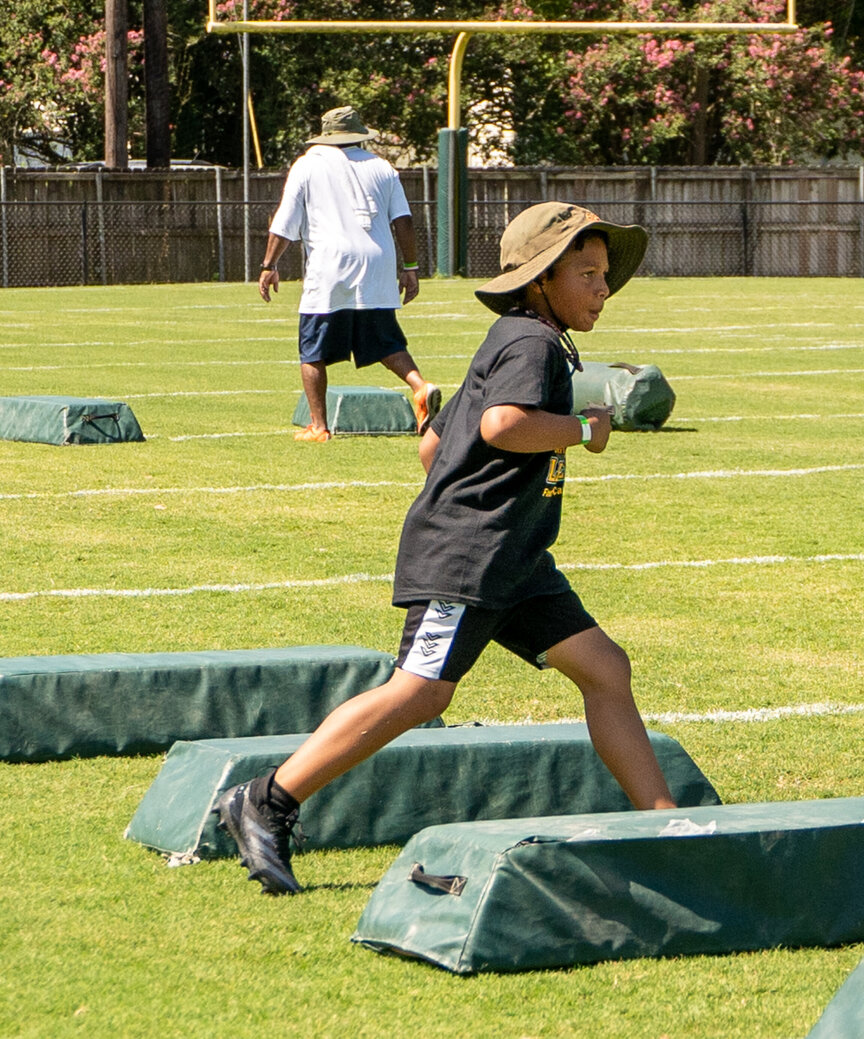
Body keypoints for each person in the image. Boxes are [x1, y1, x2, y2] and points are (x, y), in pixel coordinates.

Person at [217, 201, 679, 895]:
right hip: (474, 556)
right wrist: (584, 429)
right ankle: (267, 800)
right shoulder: (529, 343)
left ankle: (663, 825)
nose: (601, 288)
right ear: (541, 280)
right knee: (422, 691)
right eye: (586, 273)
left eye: (604, 274)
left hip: (516, 559)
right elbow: (500, 424)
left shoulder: (523, 336)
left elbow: (437, 444)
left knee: (606, 668)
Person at [258, 105, 440, 441]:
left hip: (330, 264)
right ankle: (420, 386)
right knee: (384, 339)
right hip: (378, 262)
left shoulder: (308, 164)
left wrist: (269, 265)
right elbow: (404, 221)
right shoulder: (382, 167)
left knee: (312, 348)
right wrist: (411, 268)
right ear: (358, 135)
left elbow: (284, 223)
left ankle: (319, 426)